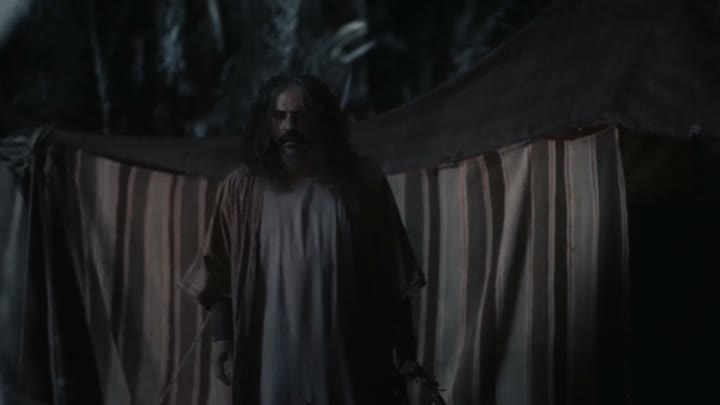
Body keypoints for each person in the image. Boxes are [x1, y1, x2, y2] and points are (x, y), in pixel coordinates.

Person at [179, 74, 425, 405]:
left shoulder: (361, 181)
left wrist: (405, 347)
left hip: (346, 355)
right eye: (279, 116)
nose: (288, 127)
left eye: (300, 116)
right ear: (266, 123)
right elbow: (219, 268)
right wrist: (223, 336)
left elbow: (393, 269)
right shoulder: (242, 189)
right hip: (272, 360)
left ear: (322, 121)